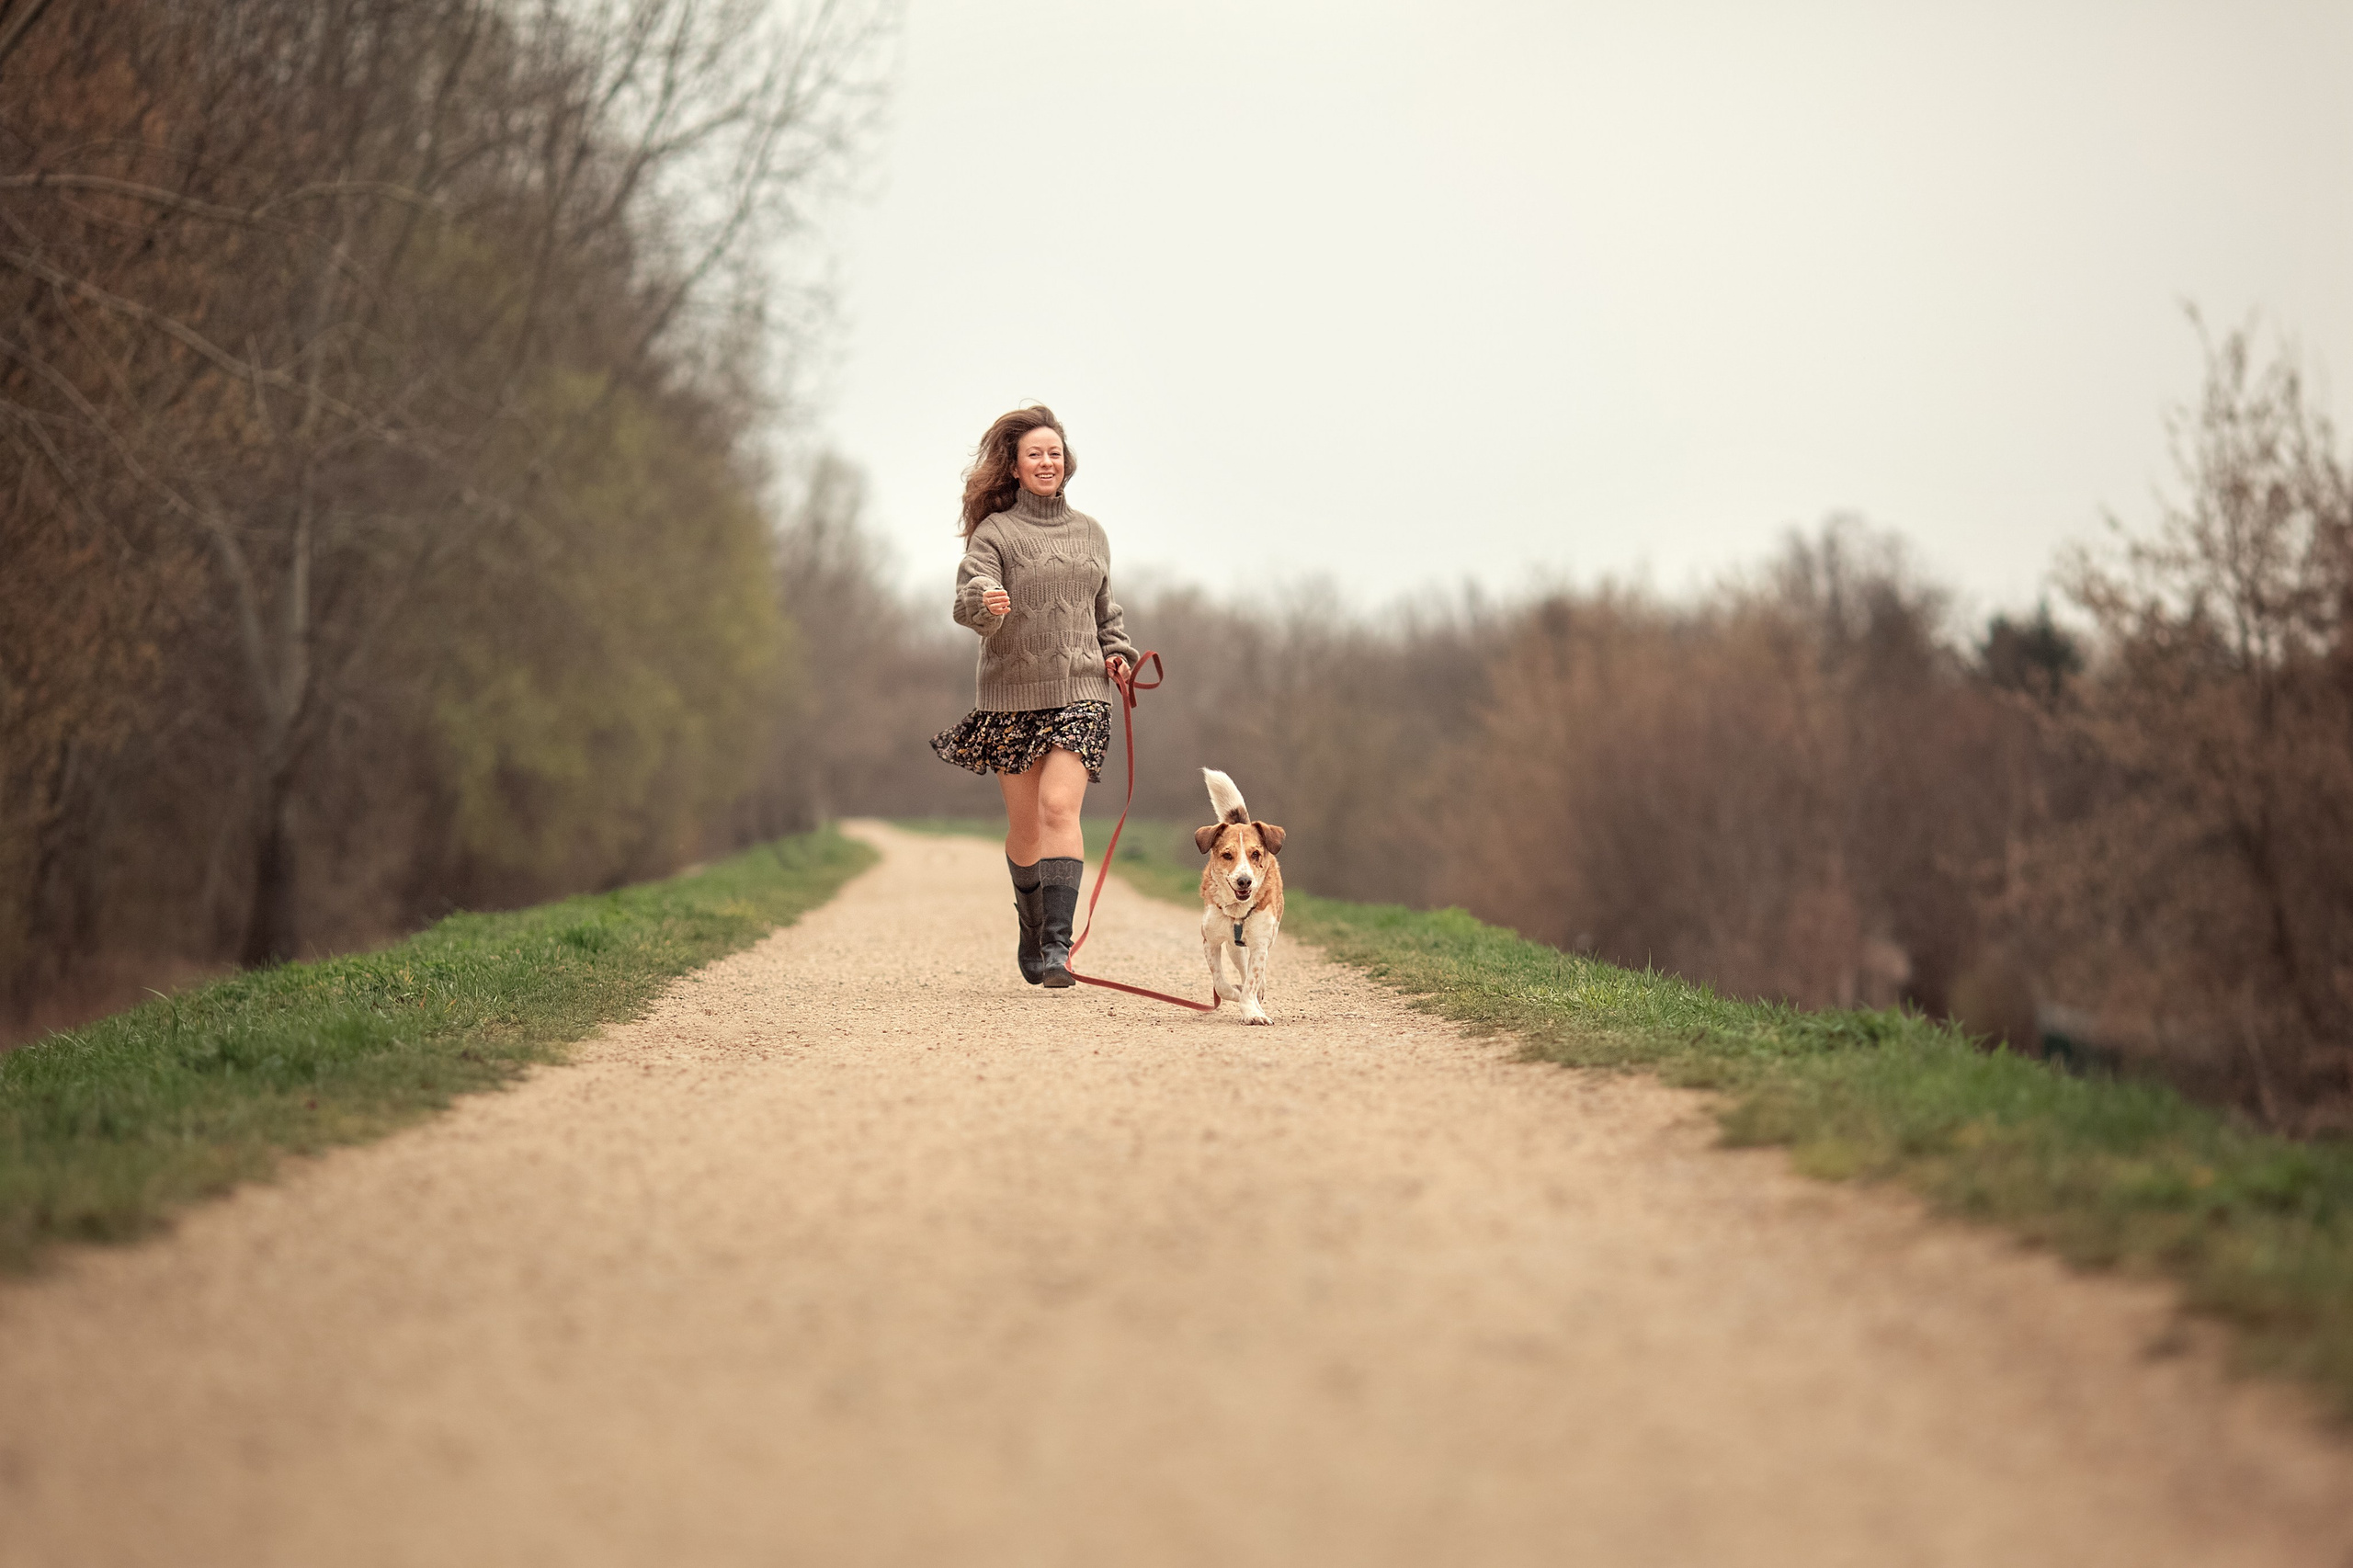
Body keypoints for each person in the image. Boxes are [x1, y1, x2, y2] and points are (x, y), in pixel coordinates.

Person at [931, 405, 1139, 987]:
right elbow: (968, 598)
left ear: (1066, 462)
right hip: (1012, 696)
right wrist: (986, 602)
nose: (1047, 462)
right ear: (1016, 468)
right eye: (1035, 455)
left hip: (1082, 690)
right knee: (1025, 831)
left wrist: (1118, 653)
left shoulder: (1092, 533)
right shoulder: (994, 533)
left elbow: (1106, 612)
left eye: (1055, 453)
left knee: (1057, 810)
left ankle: (1056, 948)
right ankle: (1031, 920)